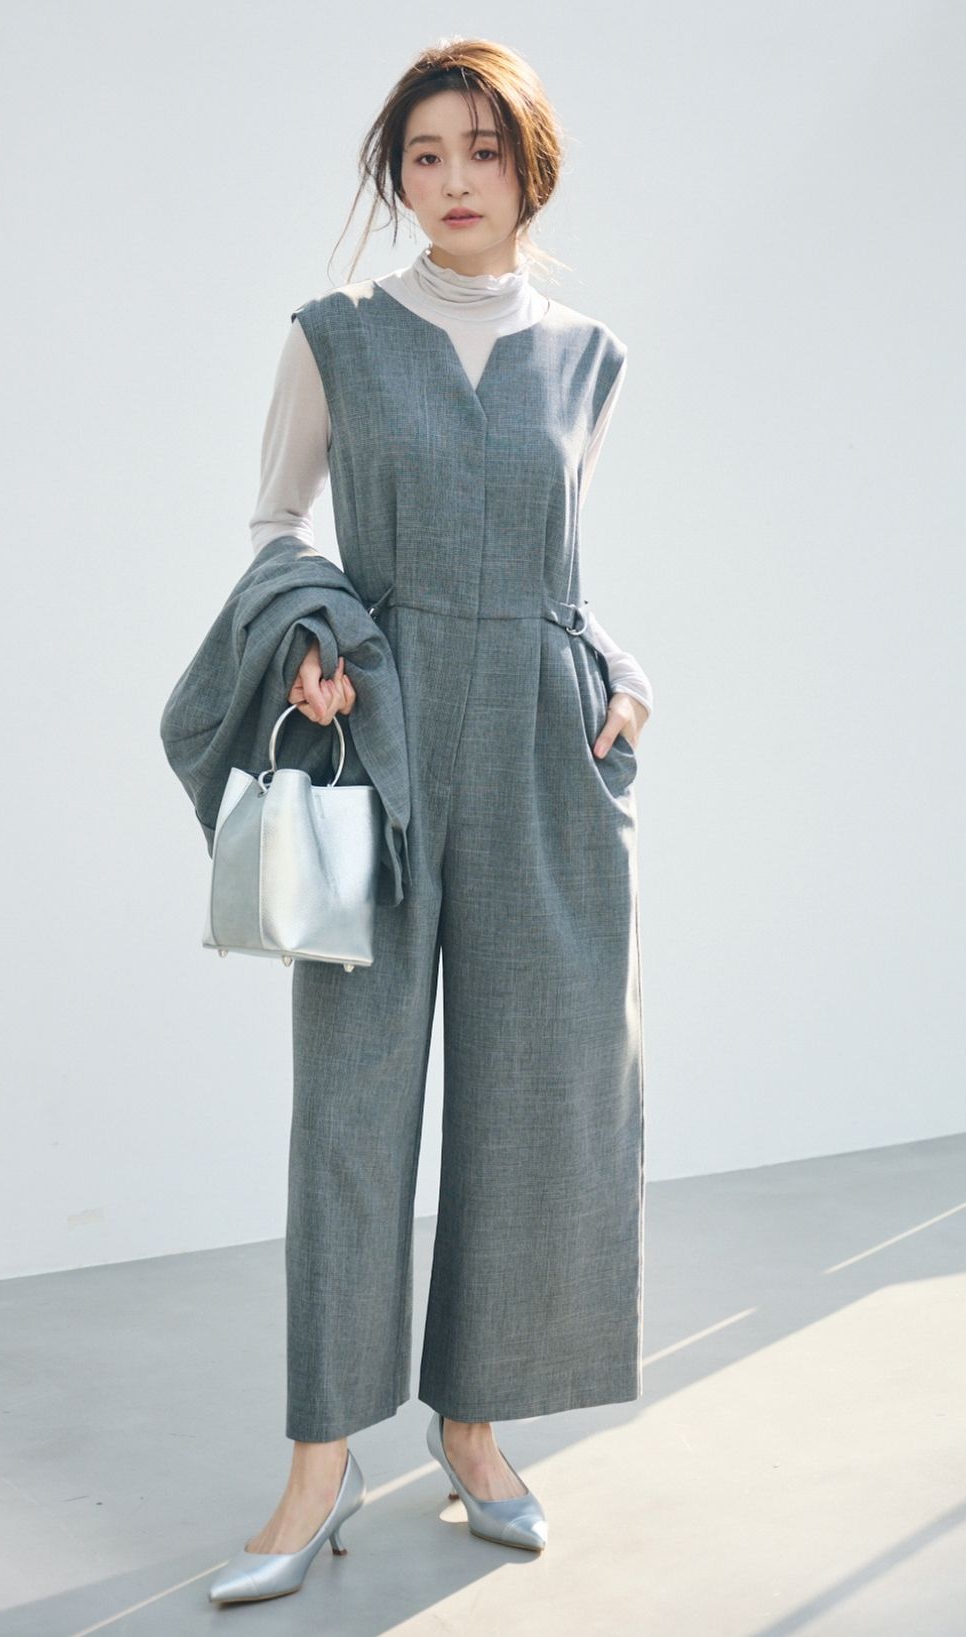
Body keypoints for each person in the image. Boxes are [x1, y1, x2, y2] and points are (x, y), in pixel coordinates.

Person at [208, 37, 650, 1605]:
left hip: (541, 746)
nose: (452, 181)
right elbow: (276, 523)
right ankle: (319, 1459)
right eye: (422, 156)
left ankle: (472, 1426)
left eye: (480, 150)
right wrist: (308, 641)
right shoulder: (332, 336)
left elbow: (559, 565)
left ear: (530, 165)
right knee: (350, 1106)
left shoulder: (587, 353)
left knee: (539, 1091)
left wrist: (624, 673)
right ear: (394, 175)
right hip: (380, 738)